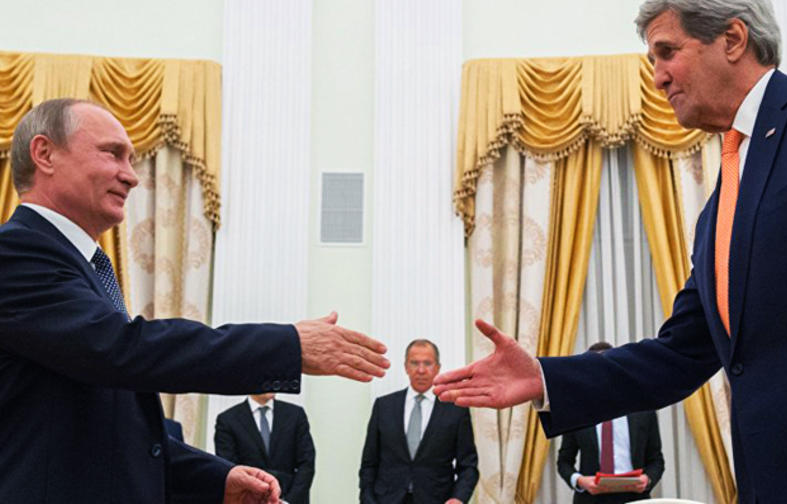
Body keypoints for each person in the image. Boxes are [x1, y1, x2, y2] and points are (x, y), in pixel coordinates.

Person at [433, 0, 787, 504]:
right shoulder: (716, 210)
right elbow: (678, 355)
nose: (657, 78)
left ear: (733, 39)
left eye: (666, 52)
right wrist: (545, 377)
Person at [0, 98, 390, 503]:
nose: (131, 177)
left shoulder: (83, 267)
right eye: (112, 153)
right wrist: (287, 345)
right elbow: (123, 351)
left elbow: (112, 428)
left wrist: (216, 479)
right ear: (44, 154)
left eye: (132, 159)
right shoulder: (16, 254)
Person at [359, 339, 478, 504]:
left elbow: (468, 466)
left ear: (437, 368)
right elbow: (369, 463)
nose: (421, 370)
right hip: (386, 499)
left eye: (427, 363)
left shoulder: (456, 410)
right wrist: (367, 499)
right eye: (414, 363)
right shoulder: (384, 406)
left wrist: (458, 498)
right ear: (406, 367)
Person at [556, 342, 663, 503]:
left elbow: (656, 459)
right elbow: (564, 461)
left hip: (634, 499)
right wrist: (580, 481)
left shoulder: (643, 410)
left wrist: (647, 480)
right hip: (590, 498)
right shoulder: (577, 410)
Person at [215, 393, 316, 504]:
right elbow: (229, 467)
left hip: (290, 498)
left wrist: (288, 501)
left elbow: (307, 462)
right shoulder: (228, 420)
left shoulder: (295, 414)